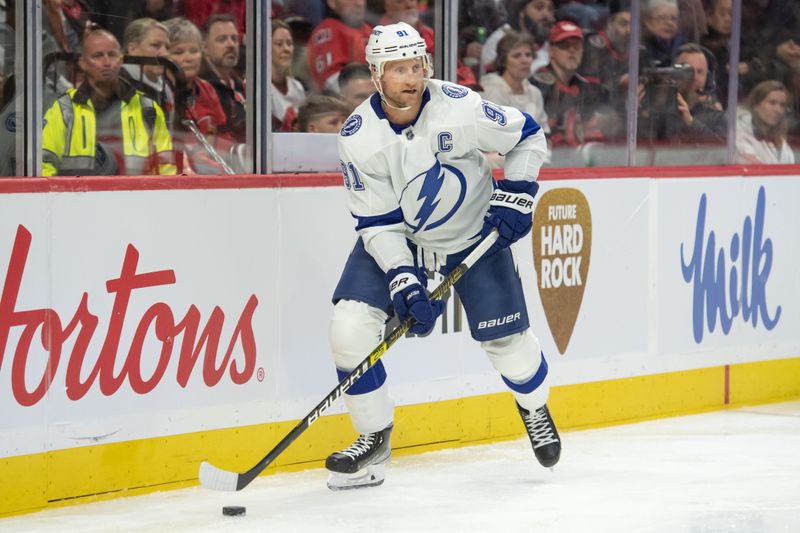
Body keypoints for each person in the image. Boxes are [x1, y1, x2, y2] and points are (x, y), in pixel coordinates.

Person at [326, 21, 560, 491]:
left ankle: (534, 407)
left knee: (510, 351)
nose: (411, 77)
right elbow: (377, 224)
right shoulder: (357, 136)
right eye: (397, 69)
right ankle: (373, 439)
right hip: (401, 237)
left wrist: (517, 191)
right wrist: (403, 277)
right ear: (375, 75)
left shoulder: (460, 106)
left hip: (474, 233)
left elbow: (528, 136)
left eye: (417, 65)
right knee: (349, 329)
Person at [42, 26, 176, 176]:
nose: (106, 62)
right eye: (98, 56)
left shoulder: (147, 108)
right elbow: (45, 164)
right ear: (83, 63)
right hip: (79, 197)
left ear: (121, 60)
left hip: (134, 197)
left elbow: (166, 168)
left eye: (112, 55)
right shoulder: (64, 109)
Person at [164, 16, 235, 174]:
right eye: (179, 52)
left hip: (210, 172)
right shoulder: (160, 94)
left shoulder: (209, 90)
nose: (188, 58)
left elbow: (223, 139)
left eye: (194, 51)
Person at [530, 20, 607, 147]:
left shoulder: (586, 87)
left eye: (576, 46)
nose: (572, 50)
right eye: (564, 45)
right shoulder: (538, 85)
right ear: (551, 51)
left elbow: (593, 130)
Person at [638, 43, 727, 142]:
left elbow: (721, 150)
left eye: (700, 72)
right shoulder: (658, 114)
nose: (693, 77)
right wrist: (640, 116)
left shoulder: (717, 119)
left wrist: (691, 124)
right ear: (672, 73)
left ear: (708, 79)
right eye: (686, 70)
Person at [479, 30, 549, 132]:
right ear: (503, 61)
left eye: (528, 55)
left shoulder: (535, 93)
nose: (524, 60)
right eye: (517, 56)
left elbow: (544, 132)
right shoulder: (491, 91)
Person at [307, 0, 373, 92]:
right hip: (343, 103)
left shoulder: (369, 30)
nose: (359, 3)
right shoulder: (328, 31)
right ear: (332, 2)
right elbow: (331, 84)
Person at [200, 14, 246, 143]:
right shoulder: (200, 89)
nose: (231, 44)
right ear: (205, 48)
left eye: (234, 39)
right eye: (222, 39)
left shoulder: (243, 87)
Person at [123, 18, 174, 127]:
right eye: (155, 45)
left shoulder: (166, 89)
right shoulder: (119, 85)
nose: (164, 53)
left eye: (167, 47)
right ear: (132, 49)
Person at [481, 0, 555, 75]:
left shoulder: (554, 45)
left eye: (550, 9)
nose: (546, 14)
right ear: (521, 12)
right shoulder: (499, 39)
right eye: (539, 7)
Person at [581, 0, 631, 108]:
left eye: (633, 25)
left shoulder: (637, 52)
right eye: (623, 24)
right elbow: (590, 93)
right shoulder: (595, 47)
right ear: (610, 23)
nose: (629, 30)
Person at [736, 80, 795, 164]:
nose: (778, 110)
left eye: (782, 105)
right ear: (756, 104)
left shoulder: (780, 140)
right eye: (772, 103)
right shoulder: (740, 135)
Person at [271, 19, 306, 132]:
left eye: (289, 44)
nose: (286, 49)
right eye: (279, 44)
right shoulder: (256, 87)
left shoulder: (297, 87)